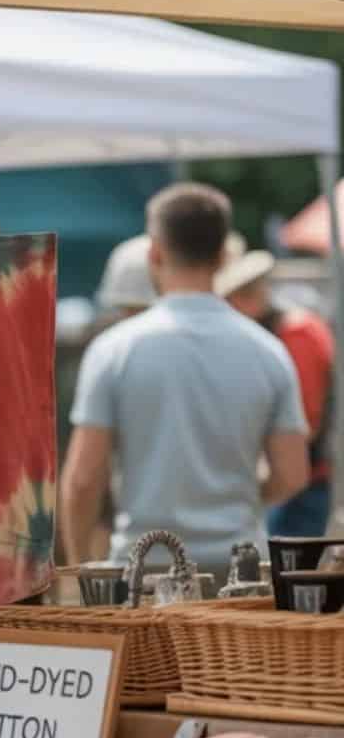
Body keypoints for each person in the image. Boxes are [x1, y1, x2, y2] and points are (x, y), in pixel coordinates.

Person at [59, 184, 310, 583]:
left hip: (142, 571)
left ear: (154, 253)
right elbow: (294, 471)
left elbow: (84, 477)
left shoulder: (114, 350)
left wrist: (77, 568)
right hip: (242, 575)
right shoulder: (269, 351)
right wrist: (238, 502)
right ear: (225, 256)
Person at [216, 248, 335, 538]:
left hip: (299, 487)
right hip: (290, 481)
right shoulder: (285, 332)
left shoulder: (296, 334)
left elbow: (304, 422)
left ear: (242, 297)